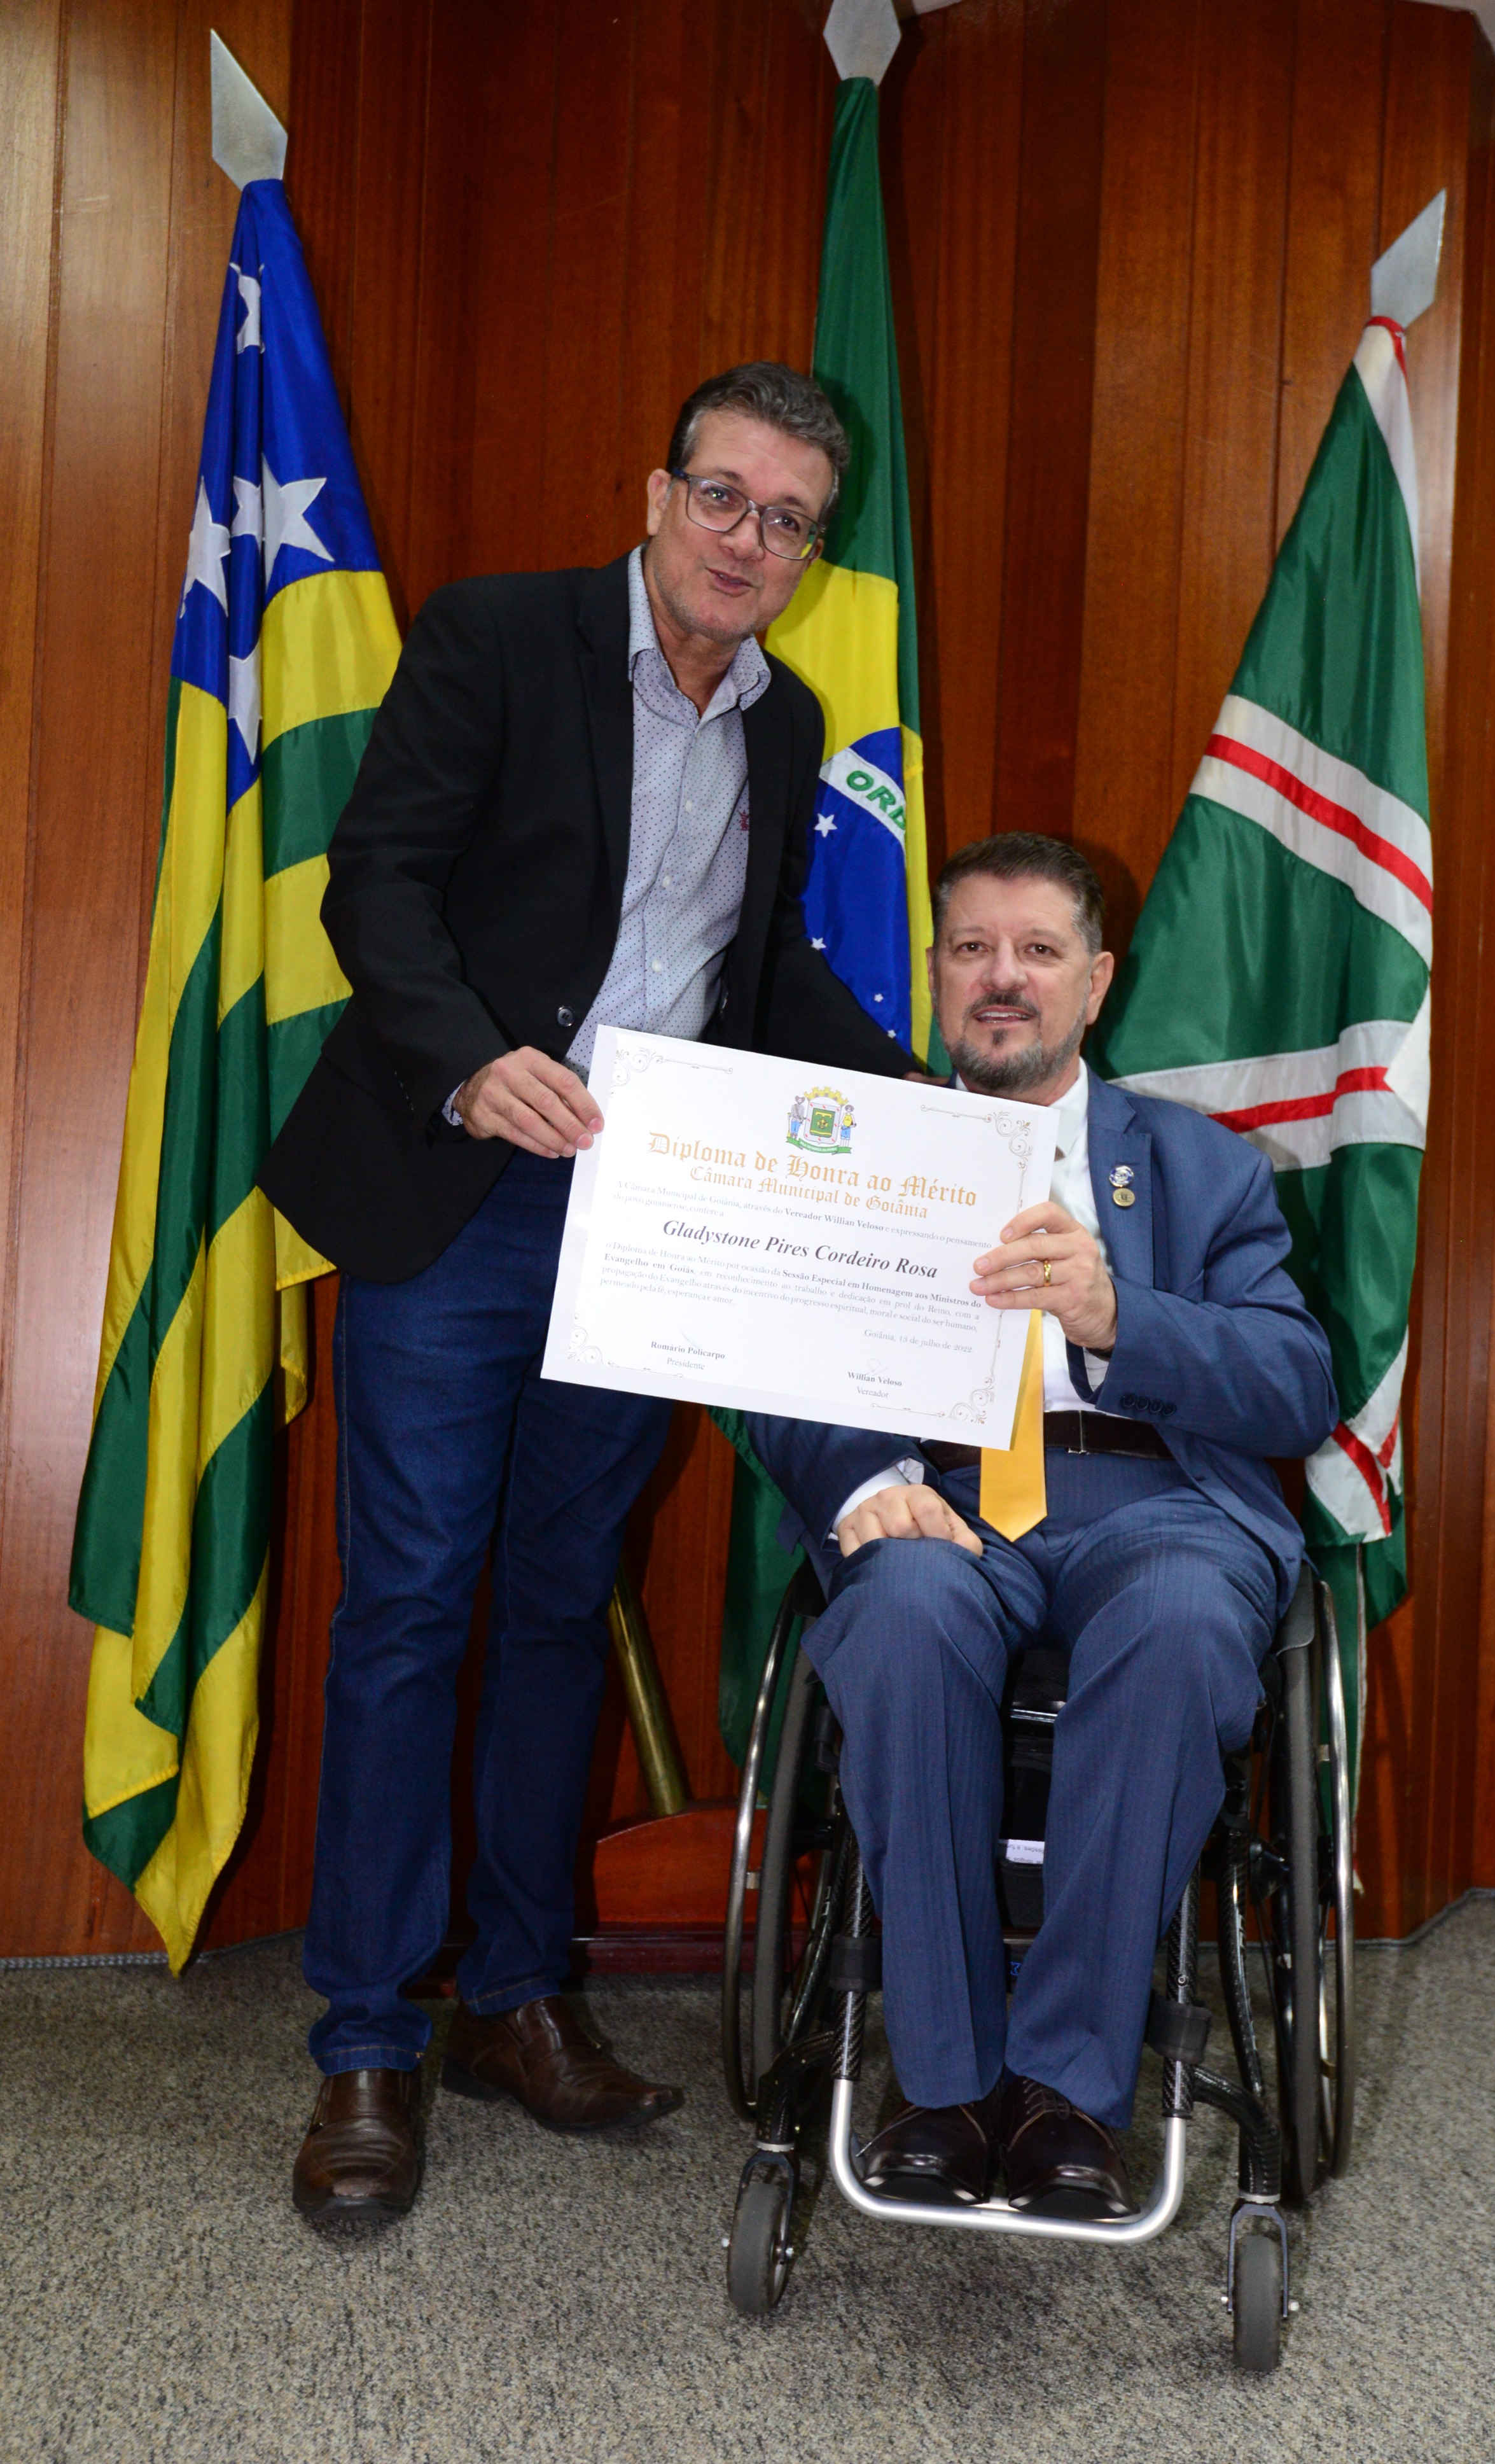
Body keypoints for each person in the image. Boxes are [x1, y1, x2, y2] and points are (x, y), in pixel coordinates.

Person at [260, 363, 908, 2224]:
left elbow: (752, 978)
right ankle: (368, 2038)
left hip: (650, 1220)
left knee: (558, 1605)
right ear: (657, 491)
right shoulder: (498, 638)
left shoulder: (785, 724)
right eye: (724, 497)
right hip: (461, 1188)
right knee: (409, 1604)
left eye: (789, 521)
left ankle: (515, 1997)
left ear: (810, 553)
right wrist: (470, 1062)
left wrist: (939, 1121)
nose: (749, 542)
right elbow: (377, 884)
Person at [746, 832, 1337, 2215]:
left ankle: (1066, 2087)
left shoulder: (1200, 1169)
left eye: (1037, 950)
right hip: (941, 1497)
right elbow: (778, 1366)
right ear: (935, 974)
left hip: (1157, 1502)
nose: (1001, 978)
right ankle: (943, 2083)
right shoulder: (858, 1150)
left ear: (1096, 981)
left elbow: (1297, 1385)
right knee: (898, 1610)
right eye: (972, 949)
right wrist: (861, 1482)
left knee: (1182, 1625)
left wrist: (1120, 1316)